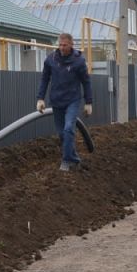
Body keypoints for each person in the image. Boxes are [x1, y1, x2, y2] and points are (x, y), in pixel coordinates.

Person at [36, 32, 93, 171]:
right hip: (56, 101)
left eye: (65, 45)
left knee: (68, 129)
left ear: (71, 45)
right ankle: (75, 159)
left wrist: (88, 102)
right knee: (62, 134)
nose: (62, 48)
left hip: (72, 100)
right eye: (60, 45)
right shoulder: (51, 60)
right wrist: (40, 98)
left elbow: (86, 82)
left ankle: (66, 161)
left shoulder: (78, 61)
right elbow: (44, 79)